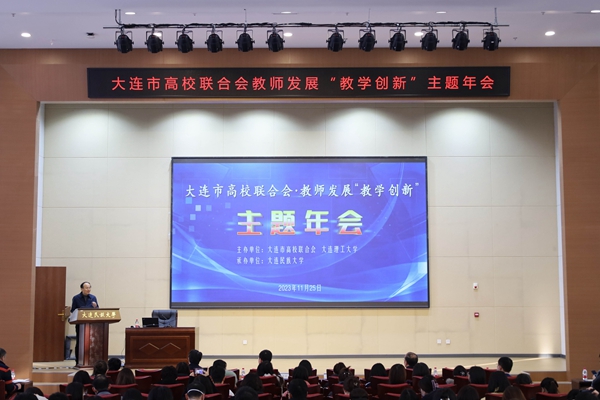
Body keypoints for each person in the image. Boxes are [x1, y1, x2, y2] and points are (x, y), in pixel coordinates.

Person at [70, 282, 99, 363]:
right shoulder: (76, 298)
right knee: (80, 342)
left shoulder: (93, 297)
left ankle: (91, 360)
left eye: (89, 287)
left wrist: (95, 307)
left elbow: (97, 310)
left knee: (91, 342)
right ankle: (78, 361)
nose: (88, 289)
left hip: (91, 324)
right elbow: (73, 310)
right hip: (80, 324)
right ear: (82, 289)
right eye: (86, 288)